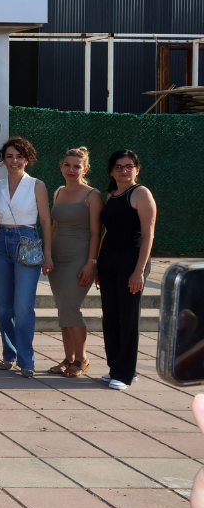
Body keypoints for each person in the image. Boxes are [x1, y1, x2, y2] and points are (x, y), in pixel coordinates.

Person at [0, 137, 54, 378]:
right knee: (2, 306)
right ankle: (9, 353)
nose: (14, 161)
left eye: (20, 156)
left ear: (27, 159)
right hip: (0, 243)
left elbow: (46, 221)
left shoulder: (36, 185)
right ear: (3, 159)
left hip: (28, 241)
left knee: (23, 306)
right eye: (10, 156)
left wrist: (47, 254)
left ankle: (26, 360)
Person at [98, 150, 156, 390]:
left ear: (137, 169)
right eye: (119, 167)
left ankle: (125, 374)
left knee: (128, 318)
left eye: (129, 166)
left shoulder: (141, 193)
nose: (124, 170)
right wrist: (98, 264)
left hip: (132, 262)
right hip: (108, 261)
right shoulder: (111, 195)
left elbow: (148, 235)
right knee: (111, 316)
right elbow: (107, 232)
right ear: (112, 171)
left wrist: (139, 271)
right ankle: (115, 367)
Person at [47, 147, 102, 378]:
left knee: (71, 307)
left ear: (85, 169)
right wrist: (47, 254)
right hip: (57, 259)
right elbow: (54, 226)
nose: (71, 170)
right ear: (61, 167)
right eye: (67, 165)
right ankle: (68, 358)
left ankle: (82, 359)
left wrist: (91, 262)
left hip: (80, 258)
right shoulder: (58, 192)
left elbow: (96, 232)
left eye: (77, 166)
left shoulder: (93, 195)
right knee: (63, 309)